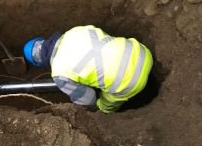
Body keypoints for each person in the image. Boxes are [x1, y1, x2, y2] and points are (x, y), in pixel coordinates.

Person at [23, 25, 153, 113]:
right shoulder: (73, 31)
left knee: (104, 107)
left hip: (131, 82)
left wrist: (93, 109)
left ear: (40, 63)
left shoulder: (59, 73)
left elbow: (88, 98)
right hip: (141, 52)